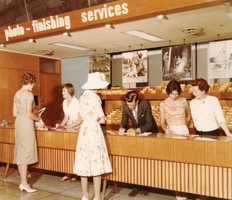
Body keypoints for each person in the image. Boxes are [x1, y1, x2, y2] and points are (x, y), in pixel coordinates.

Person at [73, 72, 112, 200]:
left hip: (84, 131)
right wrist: (104, 118)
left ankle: (84, 195)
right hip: (94, 131)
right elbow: (102, 120)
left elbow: (80, 117)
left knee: (84, 162)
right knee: (96, 163)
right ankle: (97, 197)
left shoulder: (83, 96)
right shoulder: (96, 98)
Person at [119, 90, 158, 197]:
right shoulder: (126, 106)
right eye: (128, 104)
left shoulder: (145, 103)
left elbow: (149, 124)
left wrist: (136, 130)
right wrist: (122, 128)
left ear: (137, 101)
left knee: (146, 161)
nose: (129, 106)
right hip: (138, 136)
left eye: (132, 104)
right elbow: (123, 122)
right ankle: (135, 186)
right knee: (135, 161)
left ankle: (145, 186)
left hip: (150, 133)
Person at [160, 79, 191, 200]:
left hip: (183, 131)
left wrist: (184, 125)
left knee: (185, 162)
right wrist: (166, 129)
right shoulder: (163, 104)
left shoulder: (183, 100)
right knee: (174, 163)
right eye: (172, 93)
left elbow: (188, 115)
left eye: (177, 93)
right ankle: (177, 191)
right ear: (168, 92)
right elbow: (162, 123)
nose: (175, 96)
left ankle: (185, 189)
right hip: (171, 132)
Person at [13, 73, 41, 193]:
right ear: (30, 83)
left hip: (18, 123)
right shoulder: (29, 94)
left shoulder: (17, 93)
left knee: (21, 152)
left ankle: (23, 182)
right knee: (25, 153)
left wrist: (28, 113)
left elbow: (14, 113)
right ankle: (24, 183)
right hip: (26, 124)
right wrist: (38, 118)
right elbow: (29, 114)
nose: (33, 87)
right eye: (33, 84)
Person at [59, 83, 80, 182]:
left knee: (74, 151)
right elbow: (66, 117)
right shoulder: (64, 102)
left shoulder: (76, 102)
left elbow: (80, 119)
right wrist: (60, 126)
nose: (62, 92)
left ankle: (75, 173)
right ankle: (67, 172)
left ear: (69, 91)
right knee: (67, 150)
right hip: (69, 127)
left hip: (77, 127)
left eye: (64, 91)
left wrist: (69, 126)